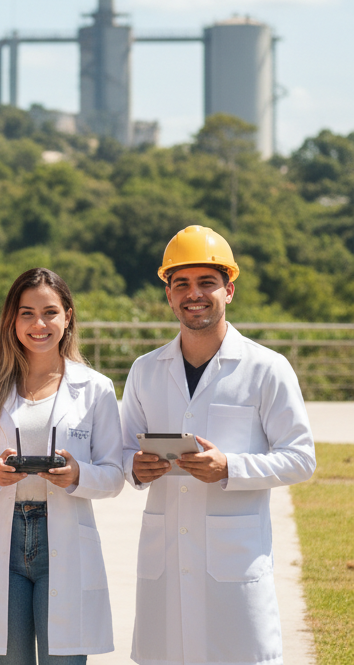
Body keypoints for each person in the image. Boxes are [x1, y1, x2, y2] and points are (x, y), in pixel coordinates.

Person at [121, 225, 316, 665]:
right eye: (182, 284)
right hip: (165, 566)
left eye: (206, 282)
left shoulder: (268, 368)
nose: (194, 294)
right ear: (168, 295)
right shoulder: (145, 371)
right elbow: (117, 454)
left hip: (234, 570)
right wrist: (136, 467)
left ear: (229, 290)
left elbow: (301, 458)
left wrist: (230, 467)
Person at [0, 267, 123, 664]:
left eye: (50, 312)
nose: (38, 324)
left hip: (63, 535)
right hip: (2, 540)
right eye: (26, 312)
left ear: (68, 317)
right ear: (12, 318)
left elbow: (114, 476)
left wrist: (80, 476)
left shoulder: (95, 389)